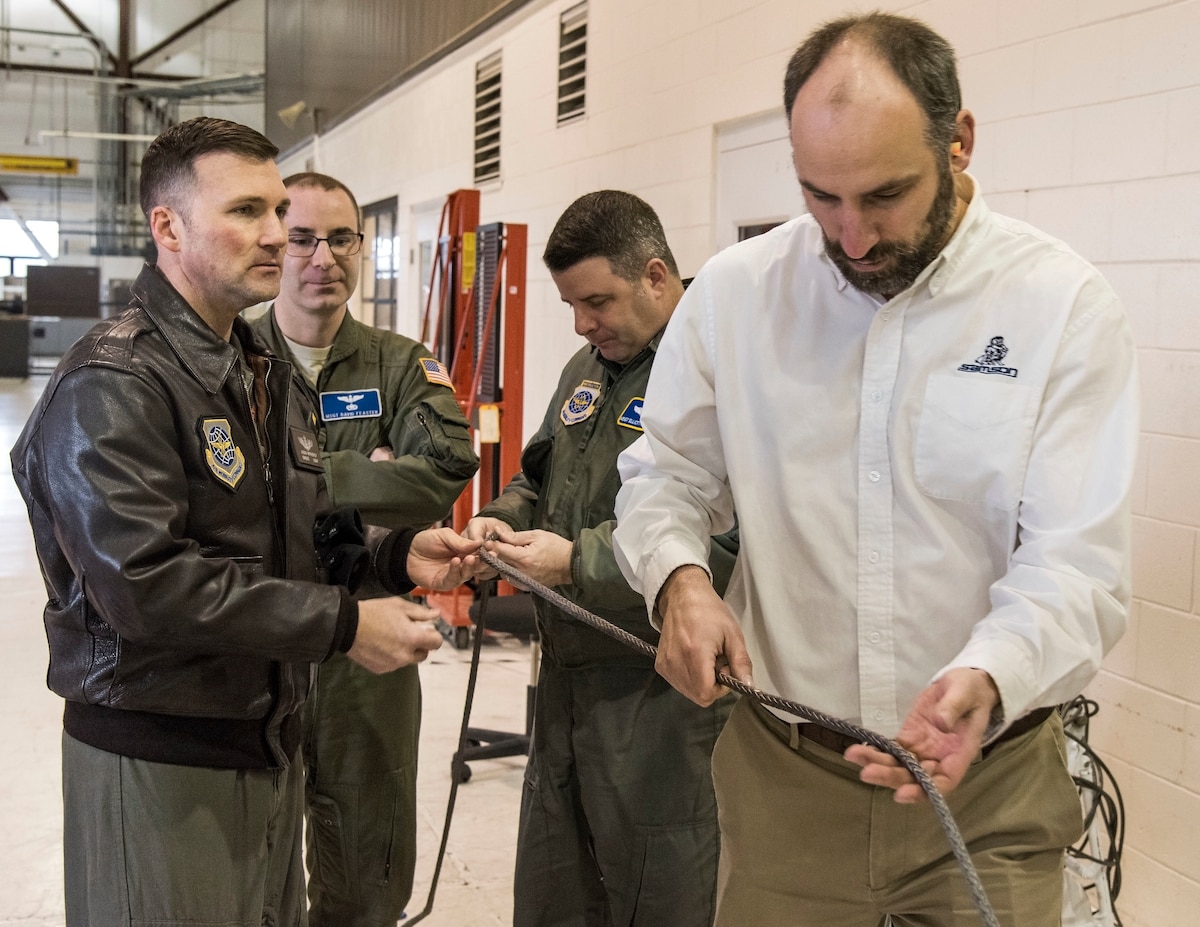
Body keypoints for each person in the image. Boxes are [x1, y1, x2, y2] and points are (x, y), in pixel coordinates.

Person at [612, 13, 1137, 927]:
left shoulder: (1060, 306)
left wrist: (990, 674)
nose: (852, 238)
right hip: (788, 777)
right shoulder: (736, 295)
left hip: (990, 781)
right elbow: (666, 474)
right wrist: (681, 581)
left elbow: (1077, 562)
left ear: (960, 142)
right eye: (821, 198)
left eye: (886, 196)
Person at [9, 117, 481, 927]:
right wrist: (341, 625)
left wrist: (399, 554)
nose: (275, 236)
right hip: (159, 753)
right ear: (168, 226)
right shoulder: (116, 380)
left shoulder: (257, 370)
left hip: (263, 742)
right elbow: (145, 585)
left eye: (275, 211)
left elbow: (304, 534)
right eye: (247, 213)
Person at [466, 190, 739, 927]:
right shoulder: (588, 369)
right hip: (565, 682)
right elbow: (538, 473)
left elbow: (729, 545)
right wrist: (498, 521)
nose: (584, 323)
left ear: (655, 276)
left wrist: (575, 562)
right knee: (559, 890)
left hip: (657, 695)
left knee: (658, 894)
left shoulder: (719, 372)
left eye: (598, 301)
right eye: (573, 307)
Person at [251, 171, 479, 926]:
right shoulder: (232, 354)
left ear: (361, 245)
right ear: (276, 246)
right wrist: (370, 472)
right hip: (260, 635)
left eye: (341, 238)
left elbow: (446, 468)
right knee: (255, 855)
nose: (323, 257)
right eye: (303, 238)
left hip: (372, 641)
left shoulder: (400, 363)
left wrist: (309, 478)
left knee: (368, 853)